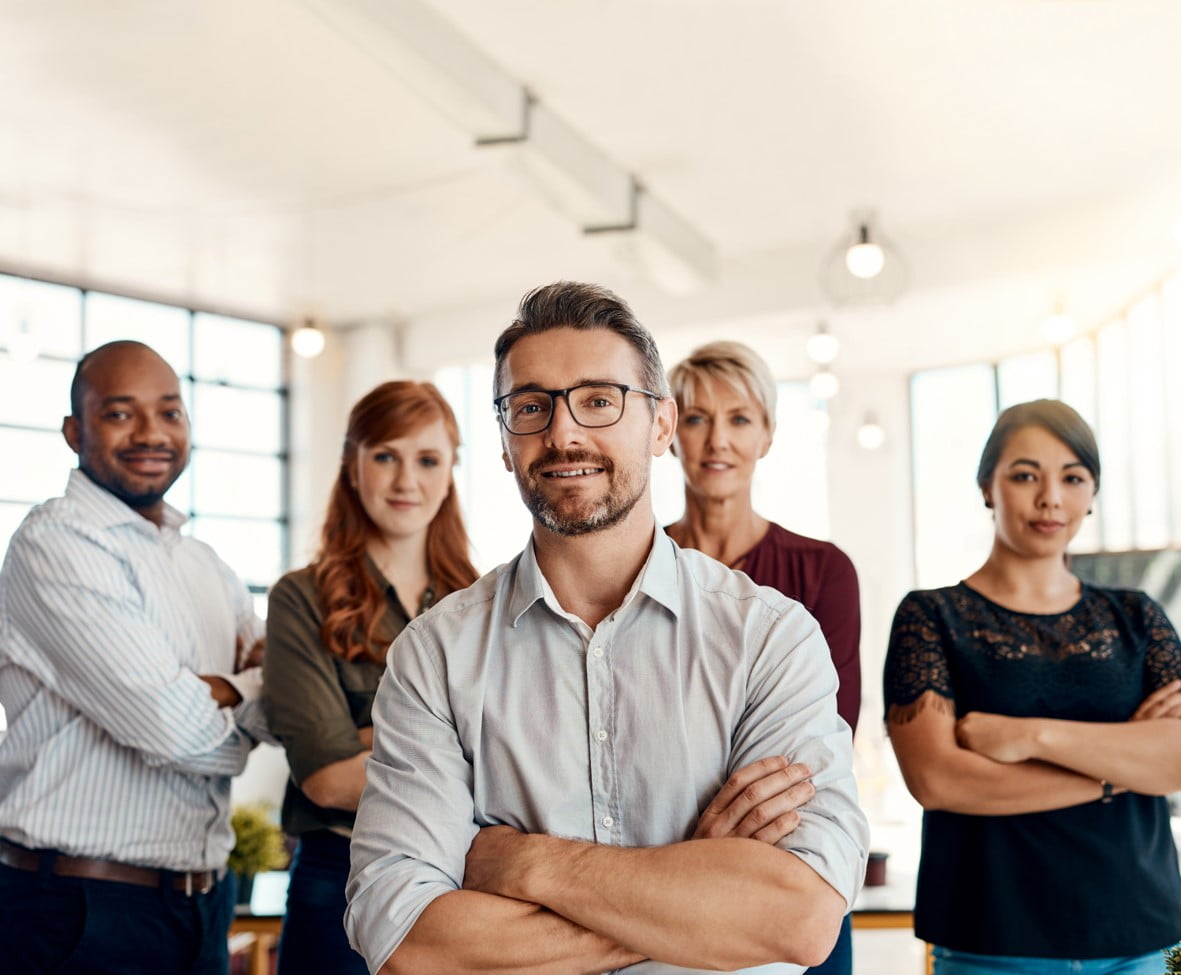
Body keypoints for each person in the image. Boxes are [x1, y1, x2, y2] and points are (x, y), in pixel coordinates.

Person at [345, 281, 868, 975]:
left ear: (659, 426)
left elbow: (798, 919)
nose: (563, 433)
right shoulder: (434, 655)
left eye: (598, 400)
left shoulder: (769, 638)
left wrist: (524, 863)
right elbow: (408, 939)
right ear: (504, 441)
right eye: (531, 407)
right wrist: (693, 887)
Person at [883, 399, 1181, 975]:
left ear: (1091, 495)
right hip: (990, 937)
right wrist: (1122, 764)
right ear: (987, 486)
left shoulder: (1138, 617)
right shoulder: (931, 617)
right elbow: (938, 779)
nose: (1051, 498)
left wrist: (1028, 736)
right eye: (1026, 475)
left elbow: (1176, 762)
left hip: (1141, 935)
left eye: (1073, 478)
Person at [0, 340, 269, 975]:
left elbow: (283, 706)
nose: (151, 432)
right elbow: (173, 729)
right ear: (74, 431)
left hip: (202, 903)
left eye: (169, 412)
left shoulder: (207, 564)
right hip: (76, 909)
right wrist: (242, 698)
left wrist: (224, 691)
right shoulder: (55, 545)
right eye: (120, 413)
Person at [262, 380, 480, 975]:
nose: (406, 480)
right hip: (339, 879)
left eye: (427, 459)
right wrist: (458, 756)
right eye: (385, 456)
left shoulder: (482, 602)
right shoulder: (301, 599)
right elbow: (329, 780)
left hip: (466, 880)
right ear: (351, 467)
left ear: (449, 472)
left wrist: (372, 741)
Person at [665, 340, 862, 975]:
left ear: (768, 435)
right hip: (661, 869)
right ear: (668, 434)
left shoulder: (823, 570)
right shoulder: (633, 570)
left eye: (740, 419)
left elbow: (820, 750)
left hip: (797, 868)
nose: (717, 440)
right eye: (696, 419)